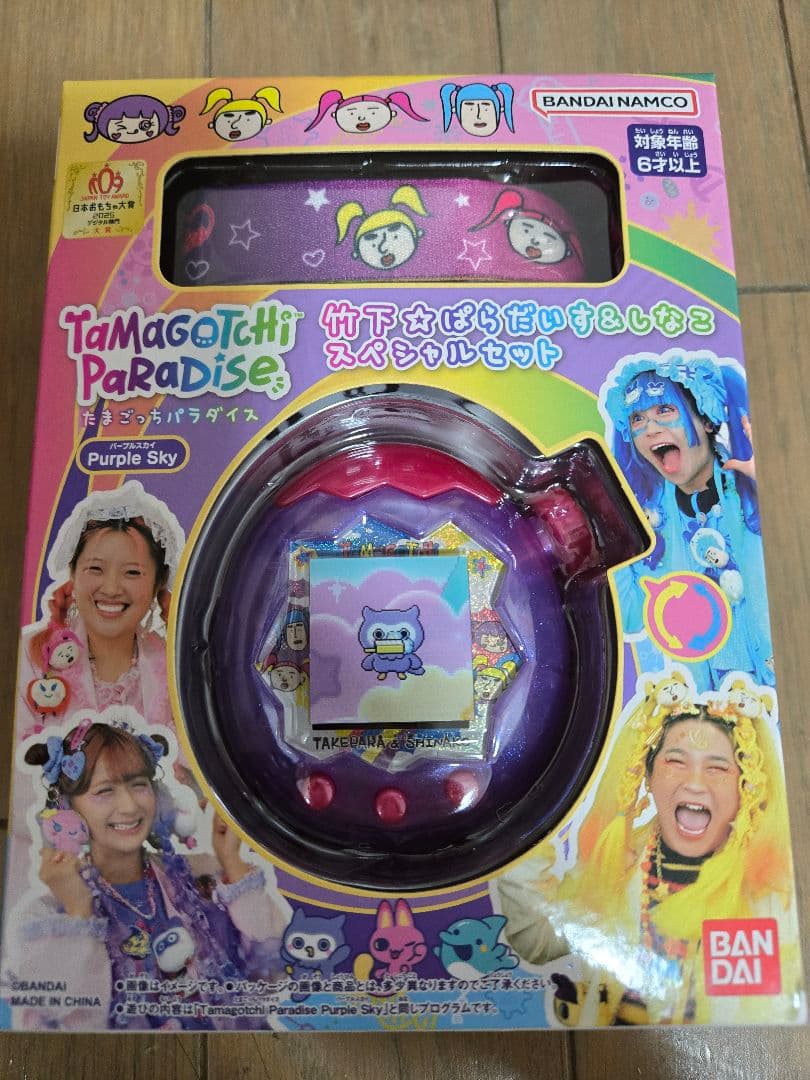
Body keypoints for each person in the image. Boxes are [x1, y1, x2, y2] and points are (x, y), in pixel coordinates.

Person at [498, 674, 801, 1024]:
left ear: (744, 785)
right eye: (676, 761)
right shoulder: (617, 864)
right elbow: (535, 940)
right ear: (648, 776)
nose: (695, 783)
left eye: (718, 768)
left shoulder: (772, 892)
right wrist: (528, 816)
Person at [12, 719, 289, 1030]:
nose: (129, 806)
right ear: (67, 809)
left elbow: (275, 973)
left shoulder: (204, 876)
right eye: (105, 790)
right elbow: (58, 1030)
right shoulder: (49, 916)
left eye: (139, 784)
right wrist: (79, 913)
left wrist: (233, 864)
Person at [599, 350, 774, 690]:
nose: (650, 428)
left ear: (706, 420)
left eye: (664, 410)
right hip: (701, 700)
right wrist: (610, 538)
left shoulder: (752, 491)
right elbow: (631, 617)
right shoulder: (646, 523)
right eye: (637, 418)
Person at [19, 481, 185, 733]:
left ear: (158, 581)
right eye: (95, 568)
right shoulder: (29, 655)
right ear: (73, 572)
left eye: (132, 572)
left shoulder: (176, 667)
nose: (111, 588)